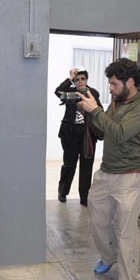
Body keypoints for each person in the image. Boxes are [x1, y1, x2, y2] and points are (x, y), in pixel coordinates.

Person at [77, 58, 140, 280]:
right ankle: (109, 257)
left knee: (125, 231)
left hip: (131, 175)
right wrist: (90, 112)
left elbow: (119, 134)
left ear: (129, 82)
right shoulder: (116, 102)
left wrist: (95, 111)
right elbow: (103, 132)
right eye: (109, 84)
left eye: (114, 84)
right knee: (97, 220)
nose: (110, 88)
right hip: (107, 171)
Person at [54, 67, 103, 205]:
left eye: (83, 79)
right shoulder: (71, 93)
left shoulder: (93, 93)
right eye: (77, 79)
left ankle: (84, 197)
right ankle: (62, 192)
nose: (80, 81)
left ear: (87, 80)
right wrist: (70, 78)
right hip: (70, 134)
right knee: (69, 165)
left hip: (87, 135)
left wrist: (88, 105)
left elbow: (99, 110)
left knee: (86, 167)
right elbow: (58, 92)